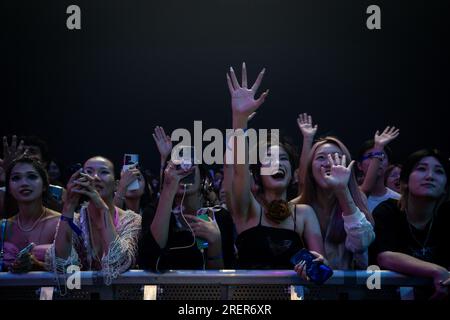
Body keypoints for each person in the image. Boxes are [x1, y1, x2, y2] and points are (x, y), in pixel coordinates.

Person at [226, 62, 325, 270]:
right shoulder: (248, 209)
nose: (277, 164)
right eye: (268, 160)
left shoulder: (304, 214)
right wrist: (239, 119)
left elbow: (321, 267)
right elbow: (239, 169)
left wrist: (318, 265)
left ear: (293, 173)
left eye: (283, 159)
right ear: (258, 173)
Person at [370, 149, 450, 300]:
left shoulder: (446, 215)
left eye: (439, 171)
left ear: (445, 188)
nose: (430, 176)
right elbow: (385, 257)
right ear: (405, 182)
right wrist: (436, 270)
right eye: (421, 169)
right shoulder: (387, 211)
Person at [51, 156, 141, 284]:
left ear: (116, 185)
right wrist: (69, 205)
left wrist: (103, 209)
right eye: (88, 172)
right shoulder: (75, 220)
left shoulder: (131, 221)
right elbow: (61, 262)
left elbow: (118, 263)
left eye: (103, 172)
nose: (95, 177)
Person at [295, 136, 375, 269]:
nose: (328, 163)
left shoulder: (357, 198)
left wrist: (342, 190)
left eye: (336, 157)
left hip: (349, 287)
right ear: (310, 169)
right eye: (321, 157)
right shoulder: (296, 207)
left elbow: (361, 243)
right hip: (310, 287)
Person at [0, 156, 60, 272]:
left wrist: (37, 265)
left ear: (44, 185)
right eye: (16, 178)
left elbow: (76, 273)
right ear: (9, 188)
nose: (24, 183)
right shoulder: (3, 227)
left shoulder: (62, 223)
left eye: (32, 176)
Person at [357, 127, 401, 213]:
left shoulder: (398, 200)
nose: (377, 161)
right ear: (359, 165)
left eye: (382, 156)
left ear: (388, 164)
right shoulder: (352, 195)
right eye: (370, 156)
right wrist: (378, 147)